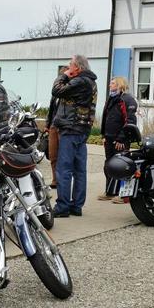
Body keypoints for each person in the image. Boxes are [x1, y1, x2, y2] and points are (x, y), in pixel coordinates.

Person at [50, 54, 98, 218]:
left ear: (77, 67)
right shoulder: (91, 82)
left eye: (70, 64)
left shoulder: (80, 81)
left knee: (64, 169)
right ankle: (77, 206)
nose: (68, 67)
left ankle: (62, 206)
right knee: (79, 170)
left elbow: (56, 91)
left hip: (71, 129)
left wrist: (63, 76)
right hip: (82, 130)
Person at [99, 76, 137, 203]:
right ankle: (110, 191)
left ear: (120, 85)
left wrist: (122, 139)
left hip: (120, 140)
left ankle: (124, 195)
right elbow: (105, 117)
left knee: (123, 167)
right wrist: (103, 135)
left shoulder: (127, 100)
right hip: (109, 139)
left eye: (113, 83)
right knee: (109, 166)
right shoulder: (111, 99)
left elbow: (130, 121)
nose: (110, 85)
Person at [45, 66, 68, 188]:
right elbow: (51, 109)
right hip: (53, 125)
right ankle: (55, 179)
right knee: (52, 155)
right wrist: (47, 125)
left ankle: (62, 180)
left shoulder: (69, 91)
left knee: (63, 156)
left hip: (63, 127)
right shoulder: (55, 93)